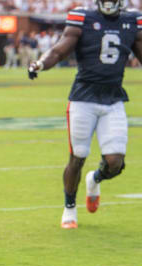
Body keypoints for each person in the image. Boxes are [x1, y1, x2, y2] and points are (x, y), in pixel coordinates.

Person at [28, 0, 142, 228]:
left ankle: (95, 179)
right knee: (77, 156)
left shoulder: (131, 20)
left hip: (113, 98)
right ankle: (69, 207)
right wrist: (40, 64)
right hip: (83, 99)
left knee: (115, 162)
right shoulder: (83, 18)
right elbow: (60, 51)